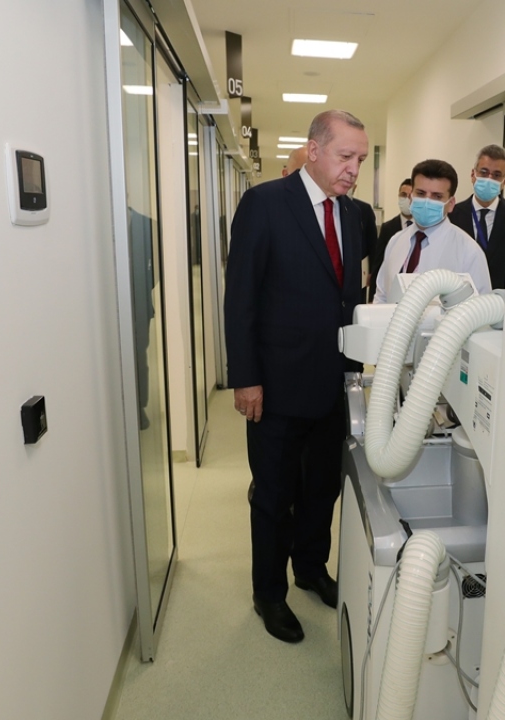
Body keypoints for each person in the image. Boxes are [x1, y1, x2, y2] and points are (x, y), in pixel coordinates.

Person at [224, 110, 368, 643]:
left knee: (322, 490)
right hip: (277, 386)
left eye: (361, 159)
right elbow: (240, 298)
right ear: (314, 150)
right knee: (274, 494)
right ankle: (269, 593)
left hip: (334, 384)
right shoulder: (265, 203)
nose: (354, 169)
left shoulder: (353, 215)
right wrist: (246, 378)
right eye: (345, 156)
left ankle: (309, 568)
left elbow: (347, 298)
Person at [373, 160, 491, 303]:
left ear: (451, 204)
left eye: (437, 196)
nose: (427, 201)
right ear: (410, 197)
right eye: (420, 193)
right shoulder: (396, 241)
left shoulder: (469, 252)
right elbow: (382, 296)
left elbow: (481, 308)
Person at [448, 144, 505, 289]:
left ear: (504, 181)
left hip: (501, 298)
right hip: (460, 295)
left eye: (496, 175)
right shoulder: (452, 215)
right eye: (484, 172)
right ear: (473, 175)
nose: (489, 178)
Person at [370, 178, 414, 301]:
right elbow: (378, 265)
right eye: (403, 195)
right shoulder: (388, 228)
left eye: (410, 196)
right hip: (392, 290)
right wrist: (372, 297)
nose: (407, 199)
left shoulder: (422, 229)